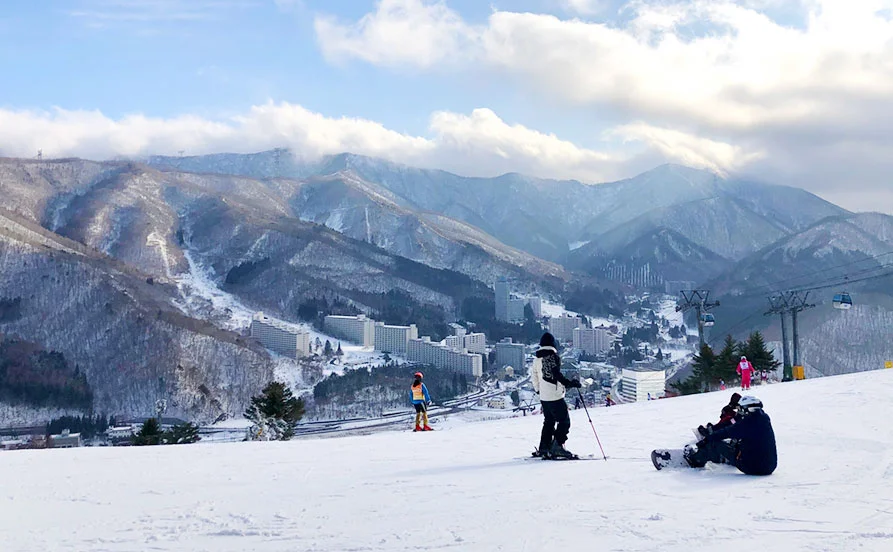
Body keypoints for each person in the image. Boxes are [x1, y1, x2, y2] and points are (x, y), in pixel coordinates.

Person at [685, 396, 777, 476]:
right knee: (739, 442)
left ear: (747, 408)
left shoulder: (747, 423)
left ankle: (696, 460)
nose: (739, 412)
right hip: (769, 467)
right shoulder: (764, 419)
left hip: (752, 468)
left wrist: (706, 440)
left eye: (741, 409)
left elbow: (725, 432)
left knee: (714, 443)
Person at [531, 332, 581, 459]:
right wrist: (570, 383)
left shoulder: (537, 359)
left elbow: (534, 377)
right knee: (564, 421)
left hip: (544, 397)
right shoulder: (553, 357)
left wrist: (539, 391)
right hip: (555, 396)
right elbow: (556, 375)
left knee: (549, 421)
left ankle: (544, 447)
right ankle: (557, 446)